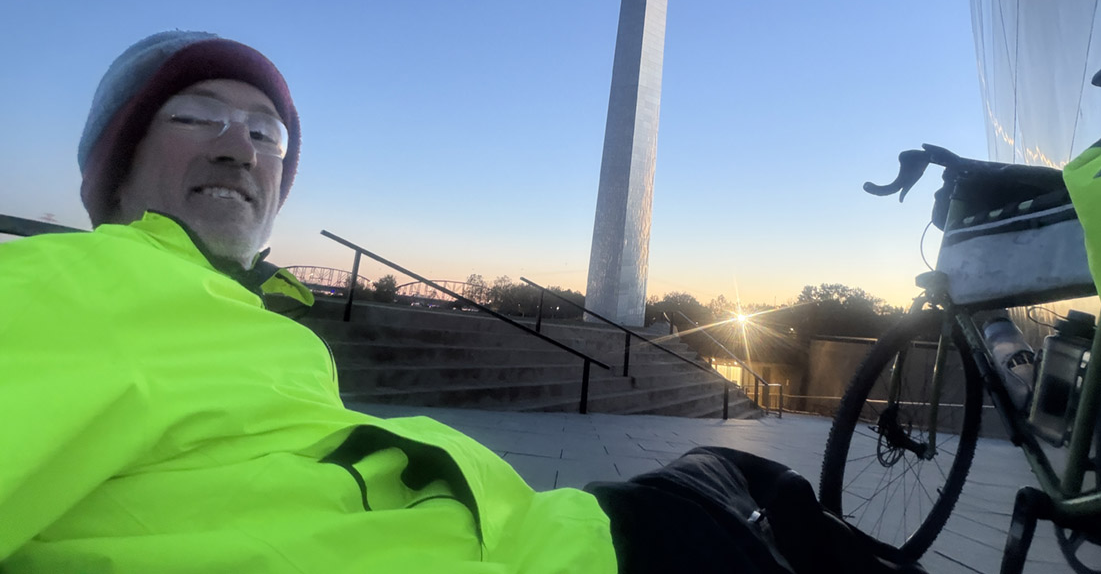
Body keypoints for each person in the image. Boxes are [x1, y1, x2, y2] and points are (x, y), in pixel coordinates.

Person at [0, 31, 918, 573]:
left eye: (267, 130)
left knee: (760, 491)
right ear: (113, 170)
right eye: (196, 114)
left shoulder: (253, 324)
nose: (240, 146)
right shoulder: (57, 286)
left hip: (567, 538)